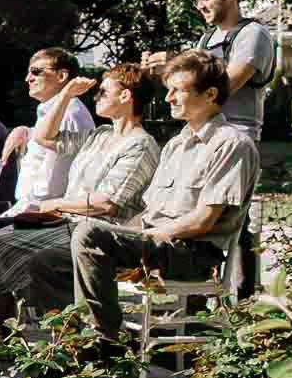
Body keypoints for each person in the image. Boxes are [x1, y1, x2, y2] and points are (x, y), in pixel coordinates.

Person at [72, 50, 259, 342]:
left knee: (89, 235)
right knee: (58, 248)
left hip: (193, 252)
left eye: (177, 91)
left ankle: (105, 343)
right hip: (160, 242)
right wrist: (129, 235)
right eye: (168, 89)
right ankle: (83, 338)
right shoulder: (176, 144)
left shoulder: (231, 144)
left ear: (210, 94)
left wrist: (144, 238)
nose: (168, 98)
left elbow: (202, 221)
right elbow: (148, 211)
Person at [0, 63, 162, 324]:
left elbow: (106, 204)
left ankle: (71, 335)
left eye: (103, 91)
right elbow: (43, 137)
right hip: (67, 225)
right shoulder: (100, 135)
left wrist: (54, 204)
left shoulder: (140, 144)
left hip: (101, 233)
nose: (96, 96)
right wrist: (65, 96)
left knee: (11, 252)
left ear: (126, 96)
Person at [148, 0, 279, 139]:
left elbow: (223, 87)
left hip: (236, 135)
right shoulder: (206, 39)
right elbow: (188, 90)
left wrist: (176, 61)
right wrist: (166, 71)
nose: (200, 6)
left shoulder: (253, 34)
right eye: (197, 1)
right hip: (201, 133)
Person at [2, 47, 95, 211]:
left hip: (42, 213)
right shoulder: (52, 111)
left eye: (36, 71)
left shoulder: (70, 114)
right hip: (28, 208)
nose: (27, 78)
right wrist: (25, 131)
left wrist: (14, 216)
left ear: (61, 76)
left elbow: (55, 183)